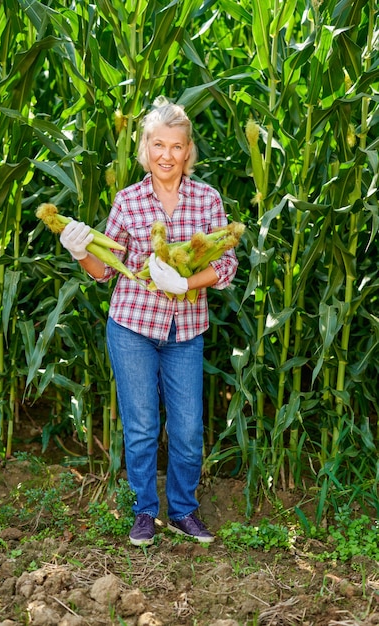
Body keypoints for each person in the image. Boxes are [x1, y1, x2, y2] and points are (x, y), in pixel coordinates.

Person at [59, 98, 239, 546]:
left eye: (176, 146)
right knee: (140, 426)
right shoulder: (128, 201)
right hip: (133, 326)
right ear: (145, 149)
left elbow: (228, 264)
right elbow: (105, 270)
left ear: (188, 151)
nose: (166, 155)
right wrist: (82, 251)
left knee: (187, 427)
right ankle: (144, 511)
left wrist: (185, 282)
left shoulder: (207, 200)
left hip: (185, 330)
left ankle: (182, 511)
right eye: (158, 144)